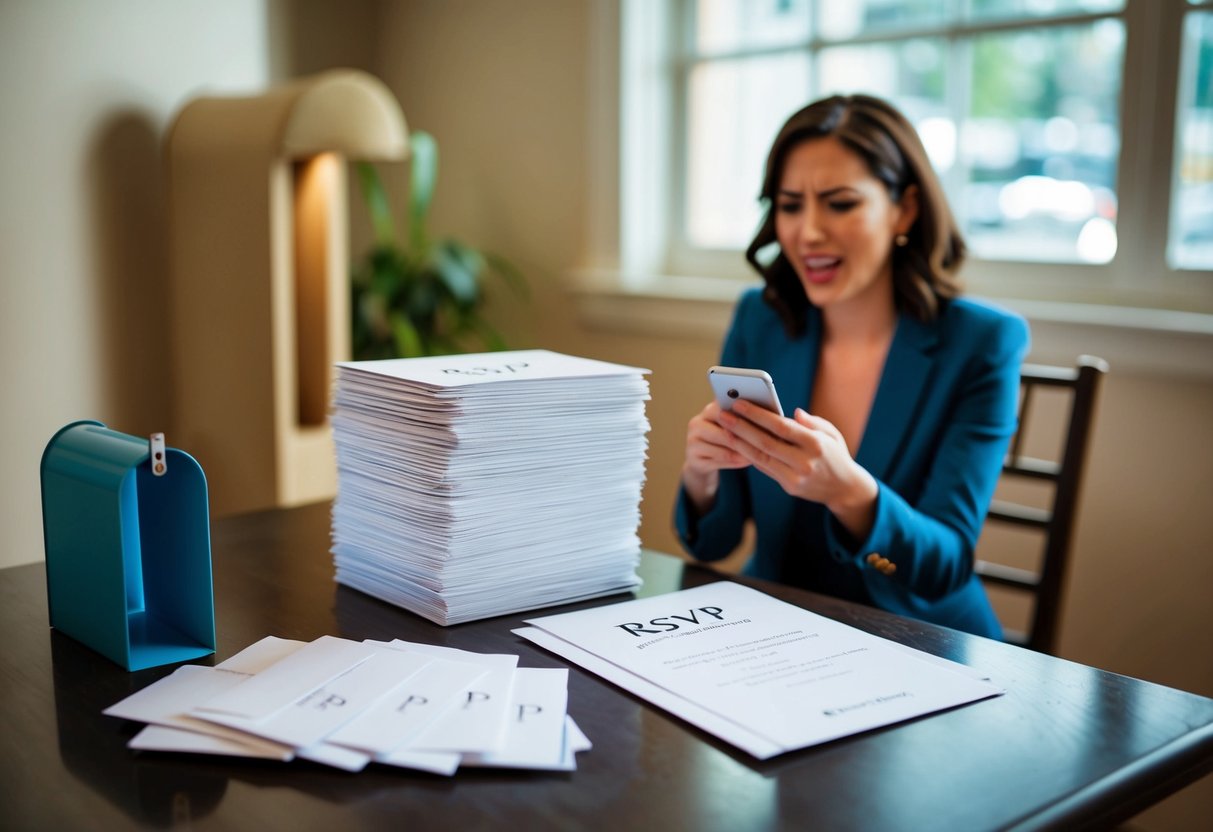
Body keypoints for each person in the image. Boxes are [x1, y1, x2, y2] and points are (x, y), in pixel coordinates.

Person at [674, 94, 1029, 639]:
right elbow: (713, 545)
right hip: (773, 628)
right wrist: (702, 474)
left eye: (839, 203)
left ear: (904, 209)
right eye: (790, 205)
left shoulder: (982, 343)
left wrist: (849, 493)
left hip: (918, 638)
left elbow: (944, 566)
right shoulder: (760, 319)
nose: (808, 232)